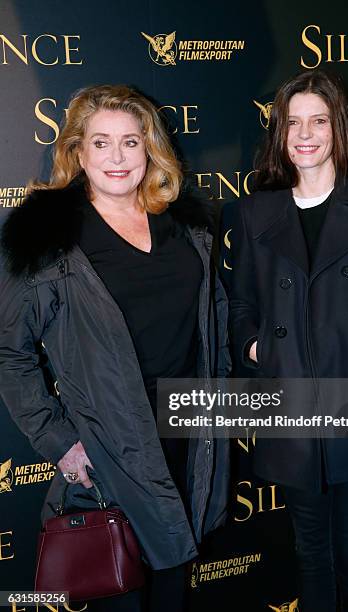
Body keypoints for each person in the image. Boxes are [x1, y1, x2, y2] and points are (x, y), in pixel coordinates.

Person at [0, 84, 230, 612]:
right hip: (109, 454)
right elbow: (9, 353)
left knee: (174, 594)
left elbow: (213, 325)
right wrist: (58, 441)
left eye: (130, 141)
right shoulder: (46, 236)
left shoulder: (187, 227)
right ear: (77, 152)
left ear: (150, 147)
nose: (117, 157)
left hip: (190, 442)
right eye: (100, 143)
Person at [229, 69, 348, 612]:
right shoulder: (257, 210)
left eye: (319, 121)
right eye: (293, 123)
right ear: (280, 134)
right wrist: (257, 349)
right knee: (312, 558)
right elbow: (241, 307)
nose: (306, 134)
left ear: (338, 128)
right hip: (294, 408)